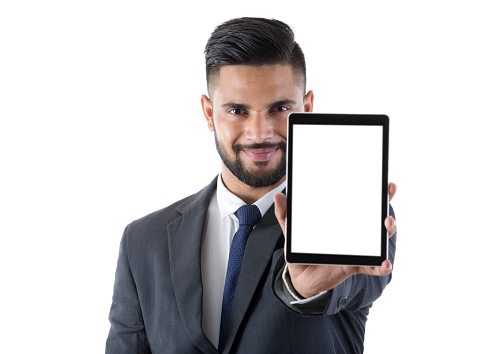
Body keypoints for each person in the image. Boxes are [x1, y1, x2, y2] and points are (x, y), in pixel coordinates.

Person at [106, 17, 397, 354]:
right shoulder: (144, 240)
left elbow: (353, 283)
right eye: (237, 110)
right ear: (208, 112)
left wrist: (301, 290)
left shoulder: (351, 211)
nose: (259, 133)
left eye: (279, 108)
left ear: (308, 107)